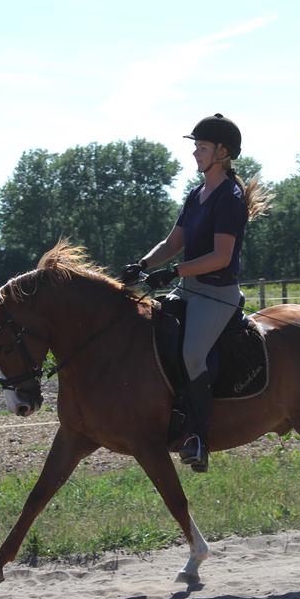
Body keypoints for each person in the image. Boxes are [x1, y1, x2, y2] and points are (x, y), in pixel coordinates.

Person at [122, 113, 270, 472]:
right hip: (188, 289)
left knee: (191, 354)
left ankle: (200, 438)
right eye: (197, 147)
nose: (195, 153)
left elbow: (220, 257)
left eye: (201, 147)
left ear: (222, 152)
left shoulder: (229, 198)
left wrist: (174, 271)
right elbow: (173, 242)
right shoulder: (196, 194)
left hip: (217, 295)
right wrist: (143, 264)